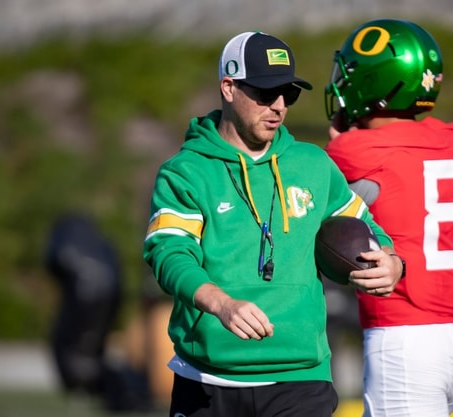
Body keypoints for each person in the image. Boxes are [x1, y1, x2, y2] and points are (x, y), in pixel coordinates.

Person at [142, 30, 404, 417]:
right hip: (207, 381)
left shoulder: (312, 164)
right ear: (228, 88)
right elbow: (168, 252)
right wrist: (221, 303)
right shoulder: (186, 172)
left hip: (301, 380)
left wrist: (392, 261)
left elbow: (362, 225)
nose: (279, 106)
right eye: (266, 93)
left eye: (289, 94)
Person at [323, 19, 453, 416]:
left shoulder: (353, 154)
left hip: (403, 345)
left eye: (352, 73)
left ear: (377, 83)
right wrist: (436, 269)